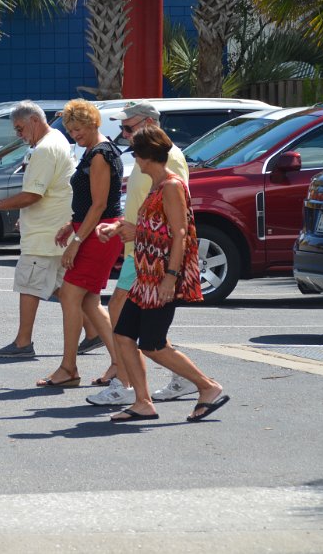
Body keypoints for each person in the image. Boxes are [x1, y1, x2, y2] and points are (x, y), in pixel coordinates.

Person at [96, 125, 229, 422]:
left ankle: (207, 387)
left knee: (153, 345)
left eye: (136, 154)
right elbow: (153, 229)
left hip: (160, 277)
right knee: (124, 335)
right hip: (146, 276)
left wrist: (170, 277)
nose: (135, 160)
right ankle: (143, 402)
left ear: (146, 156)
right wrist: (118, 228)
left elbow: (180, 233)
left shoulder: (170, 185)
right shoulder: (156, 186)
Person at [86, 100, 194, 406]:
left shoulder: (168, 160)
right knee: (140, 328)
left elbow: (177, 222)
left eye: (128, 127)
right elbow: (144, 207)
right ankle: (170, 380)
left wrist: (169, 274)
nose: (123, 134)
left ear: (148, 124)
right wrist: (120, 226)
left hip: (152, 256)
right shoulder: (146, 158)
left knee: (124, 319)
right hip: (140, 252)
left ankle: (128, 385)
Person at [0, 101, 74, 359]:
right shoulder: (57, 140)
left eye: (20, 128)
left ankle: (23, 342)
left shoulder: (44, 149)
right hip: (55, 229)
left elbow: (33, 194)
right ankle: (96, 331)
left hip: (45, 234)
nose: (18, 134)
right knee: (65, 290)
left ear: (34, 120)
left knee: (29, 285)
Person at [40, 99, 123, 388]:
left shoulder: (100, 154)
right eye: (71, 130)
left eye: (79, 129)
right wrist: (72, 224)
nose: (75, 134)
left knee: (69, 295)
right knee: (88, 300)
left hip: (99, 234)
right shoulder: (94, 150)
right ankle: (119, 362)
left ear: (94, 123)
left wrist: (76, 240)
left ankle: (69, 368)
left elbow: (100, 205)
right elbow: (90, 202)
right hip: (93, 230)